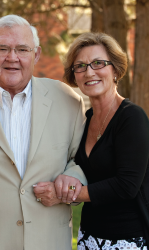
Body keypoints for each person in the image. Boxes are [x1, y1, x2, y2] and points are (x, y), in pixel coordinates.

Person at [0, 15, 87, 250]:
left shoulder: (68, 101)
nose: (12, 58)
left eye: (22, 49)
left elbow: (84, 159)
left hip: (48, 242)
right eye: (2, 48)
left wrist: (74, 177)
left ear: (36, 55)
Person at [59, 32, 149, 250]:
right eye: (80, 66)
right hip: (88, 236)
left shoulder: (131, 117)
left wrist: (67, 193)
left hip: (126, 239)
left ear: (115, 70)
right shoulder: (86, 119)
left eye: (98, 63)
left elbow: (127, 185)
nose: (89, 72)